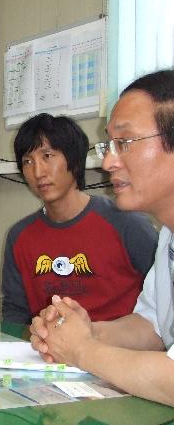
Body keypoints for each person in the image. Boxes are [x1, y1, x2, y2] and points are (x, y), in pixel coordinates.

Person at [30, 69, 174, 406]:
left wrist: (83, 350)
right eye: (109, 145)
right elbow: (152, 327)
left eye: (125, 143)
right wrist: (81, 331)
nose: (108, 161)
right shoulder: (169, 234)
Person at [2, 113, 157, 324]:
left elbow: (164, 302)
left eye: (47, 156)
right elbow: (15, 314)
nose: (38, 172)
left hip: (119, 351)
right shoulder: (19, 236)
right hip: (47, 353)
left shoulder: (126, 223)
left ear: (74, 160)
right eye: (28, 161)